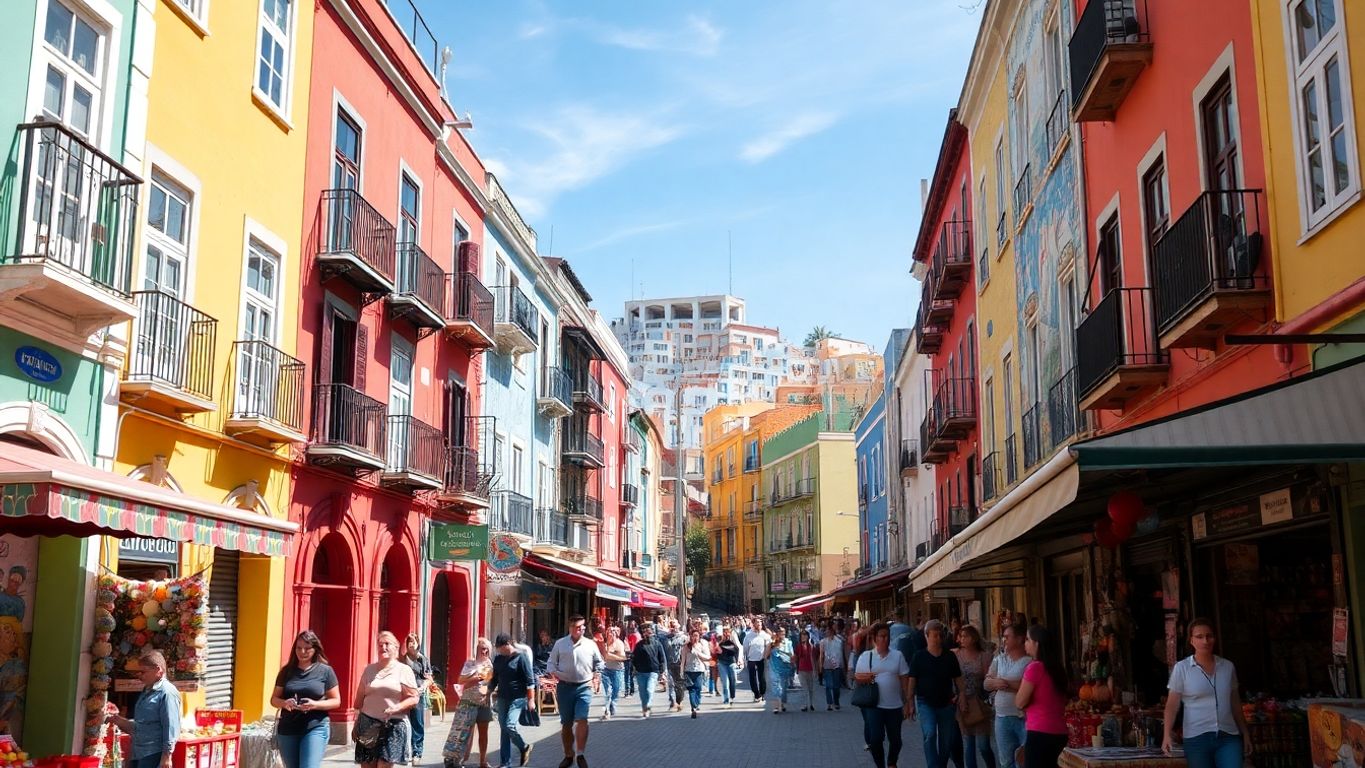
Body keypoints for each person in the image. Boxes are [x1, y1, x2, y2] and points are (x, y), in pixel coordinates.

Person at [1162, 618, 1252, 768]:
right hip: (1197, 739)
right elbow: (1172, 705)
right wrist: (1166, 735)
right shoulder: (1182, 668)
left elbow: (1235, 705)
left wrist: (1245, 734)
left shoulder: (1227, 667)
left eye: (1209, 636)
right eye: (1199, 636)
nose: (1205, 641)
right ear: (1191, 641)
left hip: (1228, 736)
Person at [270, 631, 341, 768]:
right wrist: (284, 703)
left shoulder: (325, 671)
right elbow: (274, 699)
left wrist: (315, 704)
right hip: (288, 727)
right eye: (298, 648)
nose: (302, 652)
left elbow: (336, 701)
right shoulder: (286, 671)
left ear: (315, 649)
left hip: (315, 726)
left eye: (307, 648)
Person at [352, 632, 418, 768]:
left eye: (387, 644)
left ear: (396, 647)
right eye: (380, 645)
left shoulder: (403, 670)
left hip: (393, 724)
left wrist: (396, 707)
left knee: (384, 764)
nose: (383, 647)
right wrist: (356, 723)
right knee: (367, 764)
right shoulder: (369, 670)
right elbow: (359, 701)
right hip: (368, 722)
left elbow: (414, 698)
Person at [105, 651, 181, 768]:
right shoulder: (146, 691)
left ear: (158, 670)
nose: (139, 675)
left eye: (143, 672)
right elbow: (141, 725)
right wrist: (116, 719)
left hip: (154, 754)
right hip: (138, 753)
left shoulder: (167, 693)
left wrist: (166, 756)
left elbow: (170, 726)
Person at [546, 614, 603, 768]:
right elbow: (551, 662)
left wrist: (596, 677)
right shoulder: (560, 644)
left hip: (584, 686)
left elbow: (599, 663)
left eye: (582, 627)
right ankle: (568, 755)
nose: (580, 630)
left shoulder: (590, 644)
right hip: (565, 687)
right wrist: (554, 673)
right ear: (570, 628)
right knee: (566, 723)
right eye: (576, 627)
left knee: (582, 718)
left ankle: (580, 754)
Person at [852, 622, 911, 768]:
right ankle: (880, 765)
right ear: (875, 638)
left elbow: (905, 681)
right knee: (876, 739)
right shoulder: (866, 657)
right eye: (882, 636)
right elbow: (857, 678)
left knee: (896, 740)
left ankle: (892, 762)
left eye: (887, 636)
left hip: (894, 705)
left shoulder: (897, 656)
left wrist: (908, 703)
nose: (885, 639)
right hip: (874, 705)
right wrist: (871, 677)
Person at [907, 619, 964, 768]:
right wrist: (910, 703)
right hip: (925, 703)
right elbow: (912, 681)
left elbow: (958, 678)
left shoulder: (949, 656)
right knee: (930, 734)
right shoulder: (919, 657)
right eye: (934, 635)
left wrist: (962, 694)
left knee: (946, 741)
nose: (938, 639)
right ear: (927, 636)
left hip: (946, 703)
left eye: (940, 635)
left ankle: (942, 764)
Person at [1016, 624, 1069, 768]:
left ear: (1036, 643)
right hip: (1060, 732)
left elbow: (1019, 702)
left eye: (1027, 639)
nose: (1024, 643)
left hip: (1040, 731)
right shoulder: (1057, 668)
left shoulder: (1035, 667)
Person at [984, 622, 1032, 768]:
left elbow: (1027, 686)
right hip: (1002, 717)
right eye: (1003, 637)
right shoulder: (999, 659)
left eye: (1007, 637)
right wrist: (996, 683)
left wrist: (1004, 683)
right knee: (1006, 761)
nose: (1004, 640)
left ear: (1019, 639)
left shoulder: (1029, 662)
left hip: (1022, 717)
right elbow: (986, 683)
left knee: (1024, 760)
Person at [443, 638, 494, 768]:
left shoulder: (490, 666)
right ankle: (459, 759)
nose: (484, 651)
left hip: (484, 703)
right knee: (465, 732)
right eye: (482, 648)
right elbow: (460, 680)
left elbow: (491, 684)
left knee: (483, 733)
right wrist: (474, 678)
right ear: (477, 649)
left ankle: (483, 761)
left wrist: (489, 691)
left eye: (487, 649)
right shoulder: (470, 664)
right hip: (468, 702)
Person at [489, 633, 535, 768]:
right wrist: (489, 692)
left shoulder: (521, 657)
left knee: (509, 725)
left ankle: (524, 746)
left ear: (508, 644)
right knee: (504, 729)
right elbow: (495, 678)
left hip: (518, 698)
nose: (499, 651)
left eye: (501, 648)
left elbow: (530, 680)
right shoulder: (498, 659)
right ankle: (505, 763)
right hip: (502, 697)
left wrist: (531, 699)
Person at [953, 625, 994, 768]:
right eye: (961, 636)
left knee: (983, 746)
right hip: (963, 703)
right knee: (968, 743)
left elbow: (989, 680)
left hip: (980, 703)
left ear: (974, 638)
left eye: (966, 636)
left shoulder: (984, 656)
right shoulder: (956, 655)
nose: (962, 639)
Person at [402, 634, 433, 761]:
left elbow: (429, 678)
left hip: (418, 694)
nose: (412, 644)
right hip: (404, 693)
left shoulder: (423, 659)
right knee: (403, 721)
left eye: (414, 641)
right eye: (409, 641)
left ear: (418, 643)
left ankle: (417, 752)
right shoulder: (402, 659)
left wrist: (424, 686)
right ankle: (405, 751)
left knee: (417, 723)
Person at [630, 622, 667, 718]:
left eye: (648, 632)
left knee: (649, 690)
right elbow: (634, 658)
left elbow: (662, 658)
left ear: (651, 633)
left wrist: (662, 671)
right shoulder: (639, 645)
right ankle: (644, 707)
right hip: (640, 672)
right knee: (642, 692)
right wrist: (633, 667)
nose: (646, 634)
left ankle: (648, 706)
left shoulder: (657, 644)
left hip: (653, 671)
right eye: (644, 632)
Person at [682, 627, 712, 718]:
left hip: (699, 670)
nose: (695, 638)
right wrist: (681, 671)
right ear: (690, 636)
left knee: (698, 689)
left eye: (697, 636)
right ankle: (693, 707)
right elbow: (683, 660)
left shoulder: (701, 646)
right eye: (693, 636)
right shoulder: (686, 647)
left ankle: (696, 704)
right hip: (689, 670)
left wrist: (698, 653)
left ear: (699, 637)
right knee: (691, 689)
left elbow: (708, 657)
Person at [599, 626, 627, 720]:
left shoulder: (619, 644)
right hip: (605, 670)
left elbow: (623, 658)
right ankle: (607, 710)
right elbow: (602, 657)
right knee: (607, 691)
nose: (611, 634)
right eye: (609, 632)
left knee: (616, 690)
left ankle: (612, 704)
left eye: (612, 632)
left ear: (616, 634)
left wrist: (610, 655)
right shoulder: (604, 644)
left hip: (617, 670)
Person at [817, 623, 845, 711]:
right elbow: (821, 655)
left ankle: (836, 702)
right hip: (827, 665)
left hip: (837, 665)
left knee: (836, 686)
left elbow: (841, 653)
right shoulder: (823, 642)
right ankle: (829, 703)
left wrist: (843, 664)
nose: (828, 632)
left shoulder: (839, 641)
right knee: (828, 685)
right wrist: (820, 666)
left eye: (829, 631)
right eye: (827, 631)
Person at [743, 617, 772, 702]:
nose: (759, 624)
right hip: (751, 659)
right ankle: (756, 694)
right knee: (752, 677)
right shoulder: (749, 635)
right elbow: (745, 648)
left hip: (761, 659)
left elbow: (768, 646)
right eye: (757, 622)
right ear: (754, 624)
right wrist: (745, 658)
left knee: (762, 677)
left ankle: (762, 693)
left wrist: (766, 656)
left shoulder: (765, 635)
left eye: (760, 622)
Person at [766, 626, 794, 714]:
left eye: (783, 633)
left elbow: (791, 655)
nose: (782, 635)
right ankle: (776, 706)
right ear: (777, 634)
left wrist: (792, 665)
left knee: (783, 688)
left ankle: (782, 704)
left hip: (785, 668)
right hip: (774, 668)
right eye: (780, 633)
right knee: (775, 686)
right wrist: (772, 647)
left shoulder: (788, 642)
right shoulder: (772, 643)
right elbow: (766, 656)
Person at [662, 619, 687, 712]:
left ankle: (679, 701)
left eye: (674, 624)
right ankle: (672, 701)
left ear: (678, 626)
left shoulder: (684, 637)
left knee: (679, 684)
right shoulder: (665, 638)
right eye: (671, 625)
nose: (673, 626)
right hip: (669, 663)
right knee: (671, 683)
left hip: (679, 663)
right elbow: (663, 651)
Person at [715, 626, 742, 707]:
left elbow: (737, 650)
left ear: (730, 633)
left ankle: (732, 697)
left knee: (733, 681)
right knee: (725, 683)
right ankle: (726, 700)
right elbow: (716, 651)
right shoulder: (719, 642)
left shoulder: (733, 642)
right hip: (722, 663)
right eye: (724, 632)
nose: (726, 634)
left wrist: (738, 661)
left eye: (727, 632)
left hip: (732, 663)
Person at [794, 629, 819, 711]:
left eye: (805, 635)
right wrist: (796, 668)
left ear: (808, 636)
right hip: (801, 669)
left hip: (810, 669)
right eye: (802, 635)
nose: (803, 637)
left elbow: (815, 659)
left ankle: (811, 704)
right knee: (804, 688)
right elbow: (796, 658)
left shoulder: (811, 646)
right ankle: (805, 705)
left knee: (811, 688)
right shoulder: (798, 647)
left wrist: (816, 670)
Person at [622, 620, 640, 697]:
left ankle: (628, 690)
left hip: (630, 656)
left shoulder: (634, 635)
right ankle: (631, 690)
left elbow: (632, 647)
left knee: (628, 673)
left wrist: (629, 654)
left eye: (632, 625)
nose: (631, 626)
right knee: (630, 674)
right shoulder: (635, 634)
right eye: (630, 625)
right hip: (633, 656)